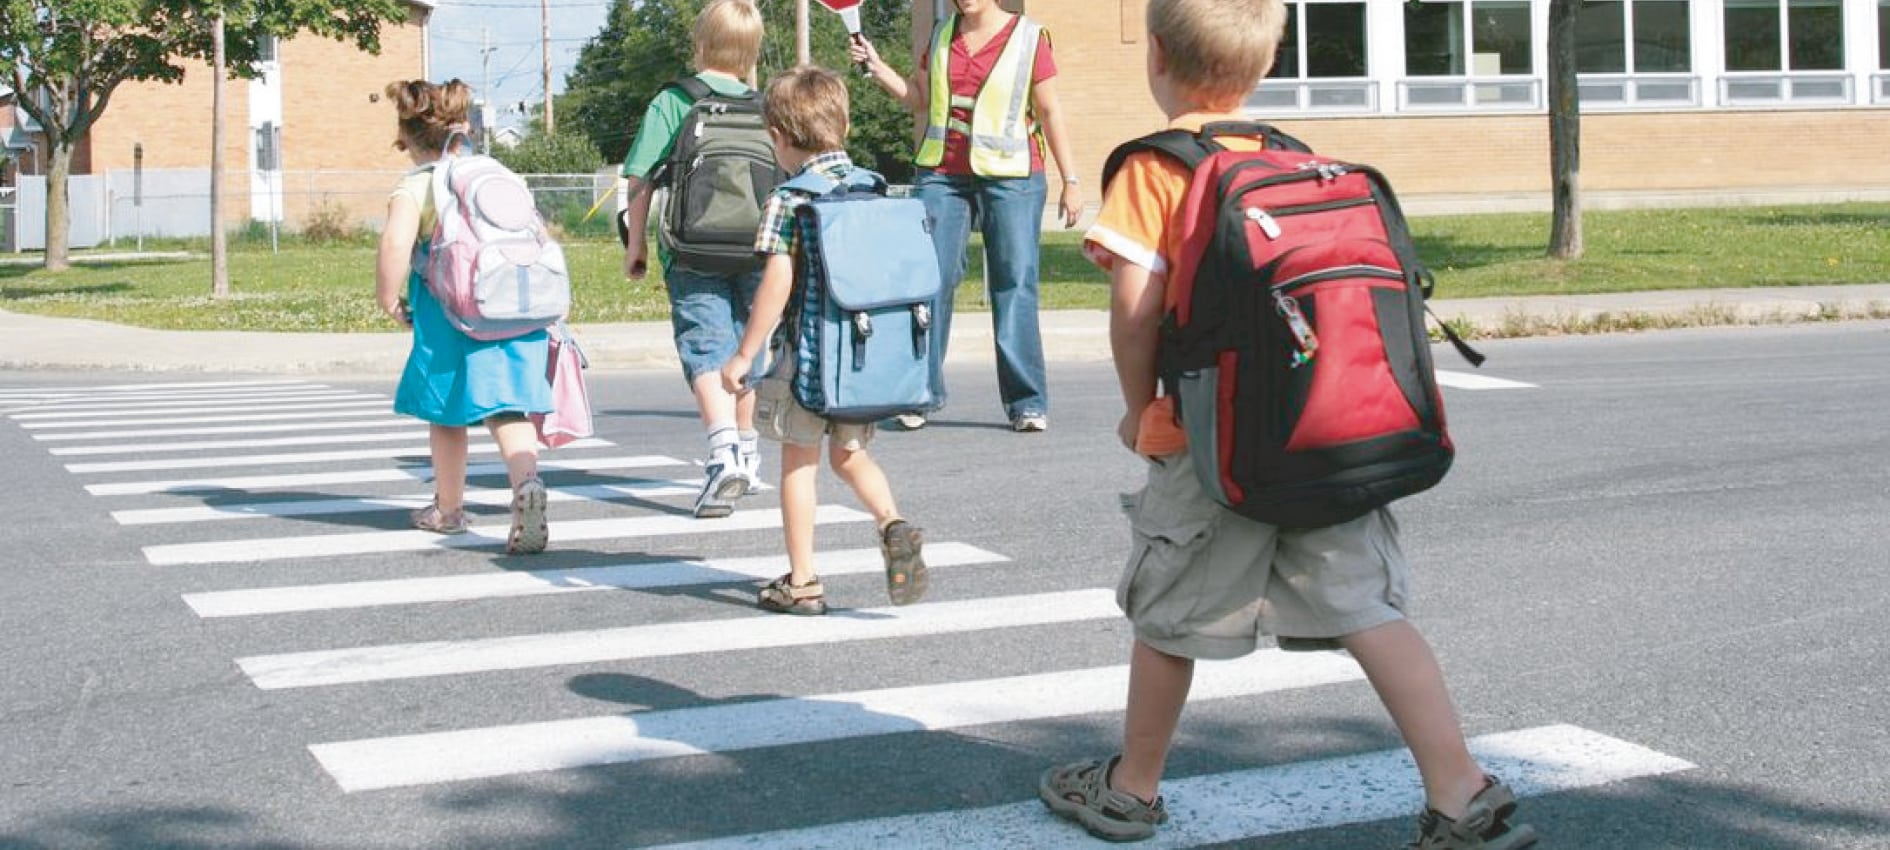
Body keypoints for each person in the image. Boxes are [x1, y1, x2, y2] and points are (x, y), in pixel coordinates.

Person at [1035, 2, 1539, 848]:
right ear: (1264, 67)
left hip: (1210, 439)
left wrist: (1139, 411)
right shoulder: (1294, 161)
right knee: (1369, 608)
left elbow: (1134, 312)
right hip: (1322, 431)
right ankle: (1462, 792)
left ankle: (1132, 788)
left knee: (1171, 617)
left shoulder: (1154, 171)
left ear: (1153, 54)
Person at [718, 66, 927, 616]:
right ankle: (892, 521)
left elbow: (777, 281)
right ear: (844, 122)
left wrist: (746, 352)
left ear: (779, 137)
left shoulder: (790, 199)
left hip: (807, 361)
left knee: (799, 463)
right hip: (862, 357)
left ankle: (803, 580)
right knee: (851, 454)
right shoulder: (873, 187)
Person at [848, 0, 1081, 434]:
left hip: (1012, 175)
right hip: (943, 175)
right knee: (930, 280)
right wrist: (879, 68)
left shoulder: (1029, 38)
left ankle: (1026, 403)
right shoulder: (939, 35)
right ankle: (920, 394)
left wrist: (1072, 179)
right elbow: (918, 100)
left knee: (1014, 282)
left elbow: (1049, 111)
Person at [374, 79, 549, 556]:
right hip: (510, 309)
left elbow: (395, 242)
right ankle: (527, 482)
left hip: (448, 312)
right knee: (508, 408)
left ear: (406, 138)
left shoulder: (417, 184)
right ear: (463, 127)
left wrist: (387, 297)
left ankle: (448, 511)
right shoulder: (494, 172)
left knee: (446, 413)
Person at [618, 0, 769, 518]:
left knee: (704, 345)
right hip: (757, 249)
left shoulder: (674, 101)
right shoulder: (766, 106)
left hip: (692, 248)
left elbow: (640, 179)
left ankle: (722, 450)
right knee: (748, 347)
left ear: (700, 43)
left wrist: (635, 245)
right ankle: (748, 454)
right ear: (752, 51)